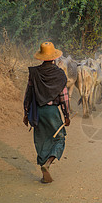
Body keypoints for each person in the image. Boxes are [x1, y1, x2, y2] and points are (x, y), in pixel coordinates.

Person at [23, 42, 70, 183]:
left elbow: (29, 93)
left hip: (37, 111)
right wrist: (67, 115)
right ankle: (47, 164)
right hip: (52, 112)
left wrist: (26, 113)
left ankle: (44, 172)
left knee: (41, 140)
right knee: (59, 138)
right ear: (55, 58)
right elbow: (64, 97)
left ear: (42, 57)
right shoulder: (60, 74)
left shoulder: (34, 73)